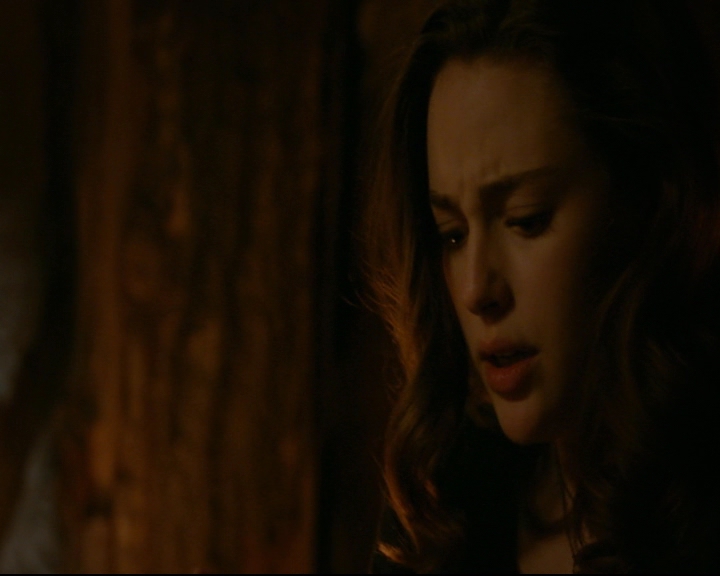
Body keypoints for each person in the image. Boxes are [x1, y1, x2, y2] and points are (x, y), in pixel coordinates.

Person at [364, 0, 720, 572]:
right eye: (451, 234)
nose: (477, 290)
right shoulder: (445, 512)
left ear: (646, 206)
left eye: (525, 220)